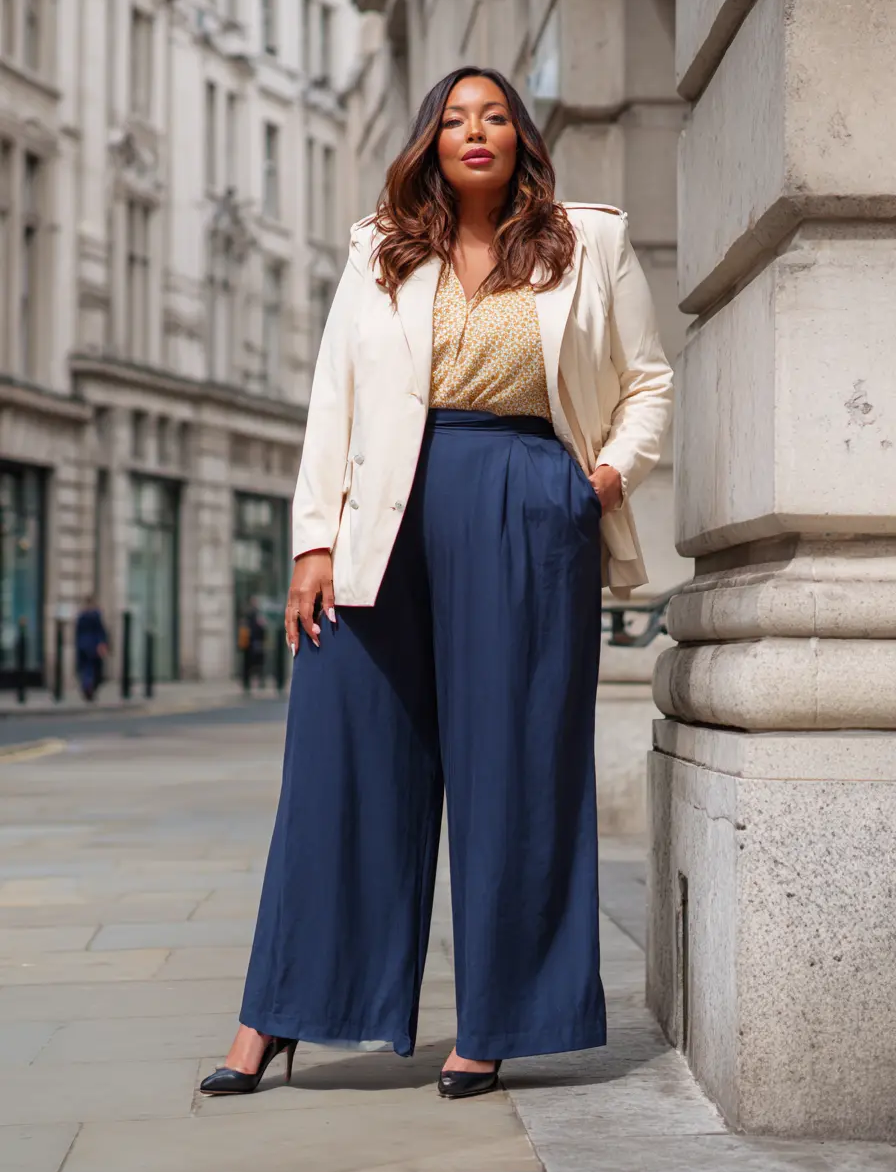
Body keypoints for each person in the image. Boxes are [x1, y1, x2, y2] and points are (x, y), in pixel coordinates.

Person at [200, 67, 673, 1101]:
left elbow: (647, 380)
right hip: (382, 514)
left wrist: (592, 485)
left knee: (513, 769)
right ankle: (277, 1014)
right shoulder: (380, 249)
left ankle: (497, 1018)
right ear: (430, 139)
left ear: (519, 138)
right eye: (455, 117)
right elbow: (336, 391)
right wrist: (310, 541)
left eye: (493, 115)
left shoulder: (584, 242)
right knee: (339, 763)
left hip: (522, 503)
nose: (474, 131)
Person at [75, 597, 108, 702]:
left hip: (82, 645)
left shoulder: (81, 616)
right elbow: (101, 631)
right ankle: (89, 687)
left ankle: (87, 686)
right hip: (93, 646)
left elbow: (77, 632)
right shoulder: (96, 615)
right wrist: (102, 644)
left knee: (85, 669)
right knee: (93, 668)